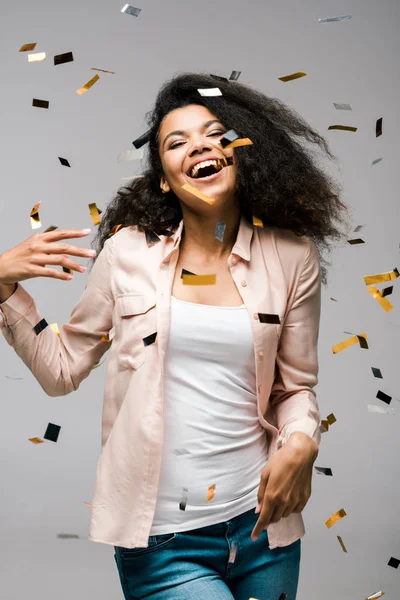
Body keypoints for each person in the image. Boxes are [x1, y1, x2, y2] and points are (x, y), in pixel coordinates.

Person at [0, 72, 351, 599]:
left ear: (241, 151)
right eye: (176, 142)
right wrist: (3, 284)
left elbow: (294, 388)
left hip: (264, 531)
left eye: (214, 134)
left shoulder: (292, 256)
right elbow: (61, 369)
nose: (200, 147)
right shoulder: (127, 255)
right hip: (164, 543)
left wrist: (302, 442)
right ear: (164, 179)